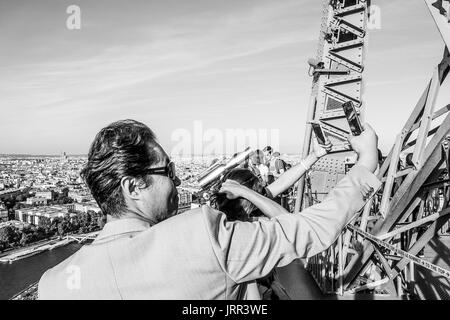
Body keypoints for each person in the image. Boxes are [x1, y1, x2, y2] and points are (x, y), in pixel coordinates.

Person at [38, 119, 380, 299]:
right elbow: (309, 230)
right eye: (168, 172)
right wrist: (365, 163)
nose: (175, 183)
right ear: (133, 187)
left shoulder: (52, 286)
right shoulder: (200, 237)